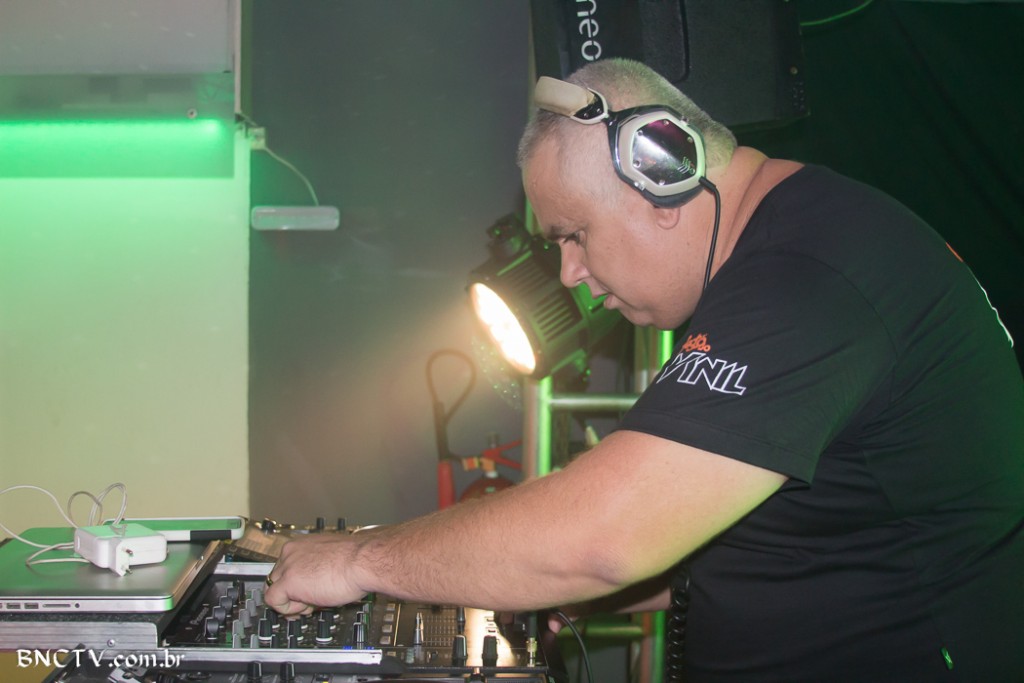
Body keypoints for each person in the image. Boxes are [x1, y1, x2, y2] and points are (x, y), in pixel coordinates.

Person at [265, 58, 1024, 681]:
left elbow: (602, 536)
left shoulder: (805, 281)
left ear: (661, 176)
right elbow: (807, 538)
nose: (570, 273)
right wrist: (563, 583)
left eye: (574, 234)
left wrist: (361, 561)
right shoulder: (801, 246)